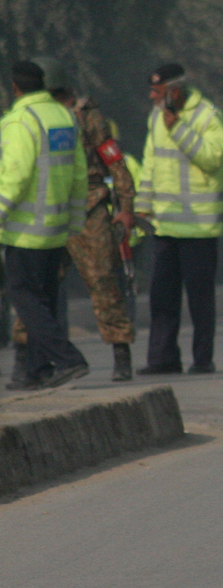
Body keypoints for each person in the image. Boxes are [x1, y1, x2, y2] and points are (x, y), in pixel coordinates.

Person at [7, 58, 137, 384]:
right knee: (37, 294)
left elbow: (114, 161)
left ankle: (120, 352)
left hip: (86, 205)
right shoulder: (53, 116)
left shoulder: (86, 117)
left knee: (103, 279)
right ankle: (28, 362)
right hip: (58, 207)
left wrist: (127, 207)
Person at [0, 61, 89, 389]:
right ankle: (38, 370)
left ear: (15, 87)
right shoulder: (63, 117)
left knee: (25, 300)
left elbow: (15, 177)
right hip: (56, 228)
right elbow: (80, 174)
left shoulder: (20, 121)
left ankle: (69, 359)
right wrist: (76, 221)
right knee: (45, 301)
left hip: (25, 231)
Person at [135, 63, 223, 374]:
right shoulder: (156, 118)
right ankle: (163, 358)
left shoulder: (208, 116)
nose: (152, 97)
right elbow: (150, 164)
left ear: (176, 90)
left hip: (199, 227)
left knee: (200, 299)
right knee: (162, 297)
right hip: (165, 225)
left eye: (158, 91)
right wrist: (141, 206)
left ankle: (203, 359)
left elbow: (212, 159)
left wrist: (178, 128)